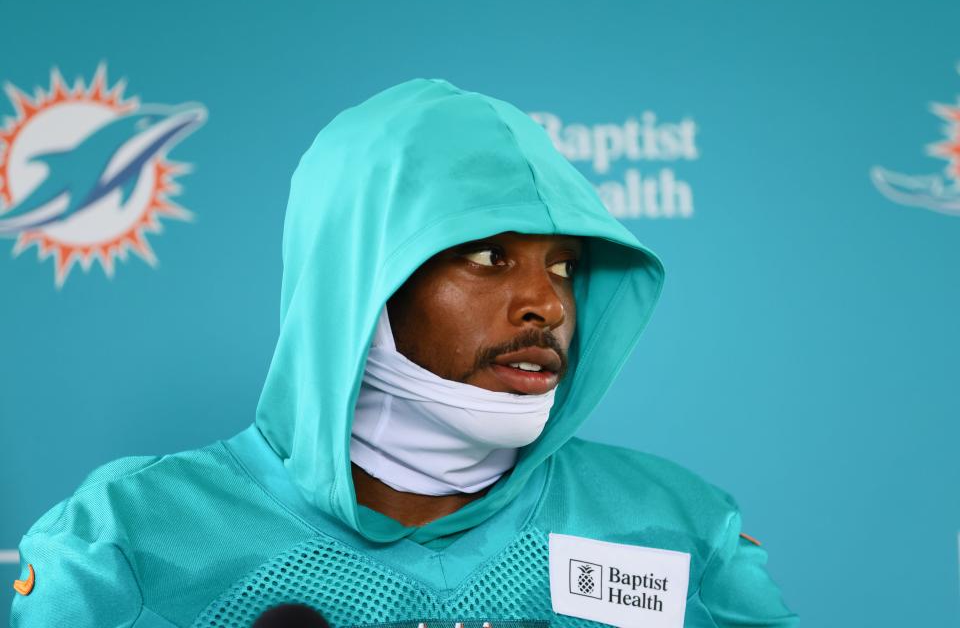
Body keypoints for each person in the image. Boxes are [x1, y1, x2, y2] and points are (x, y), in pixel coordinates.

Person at [10, 78, 798, 627]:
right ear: (358, 281)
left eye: (564, 265)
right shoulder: (131, 539)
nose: (549, 304)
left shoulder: (676, 528)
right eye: (488, 256)